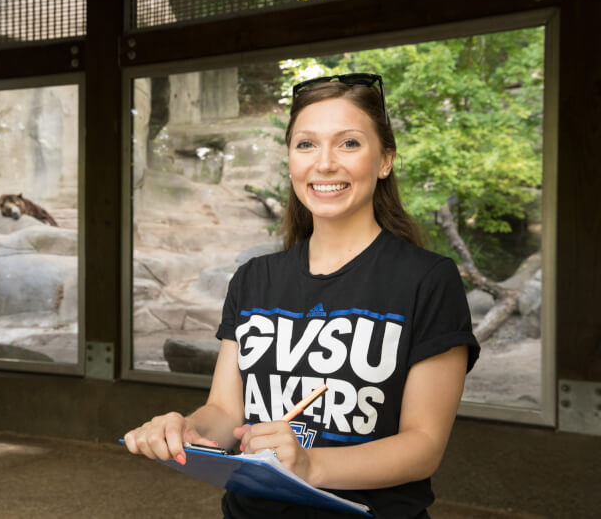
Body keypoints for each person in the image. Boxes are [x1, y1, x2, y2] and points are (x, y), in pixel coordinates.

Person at [124, 73, 480, 518]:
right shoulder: (253, 279)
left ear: (385, 159)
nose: (324, 163)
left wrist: (311, 463)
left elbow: (423, 445)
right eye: (306, 144)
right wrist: (186, 427)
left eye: (349, 143)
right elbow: (224, 411)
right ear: (291, 158)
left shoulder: (427, 280)